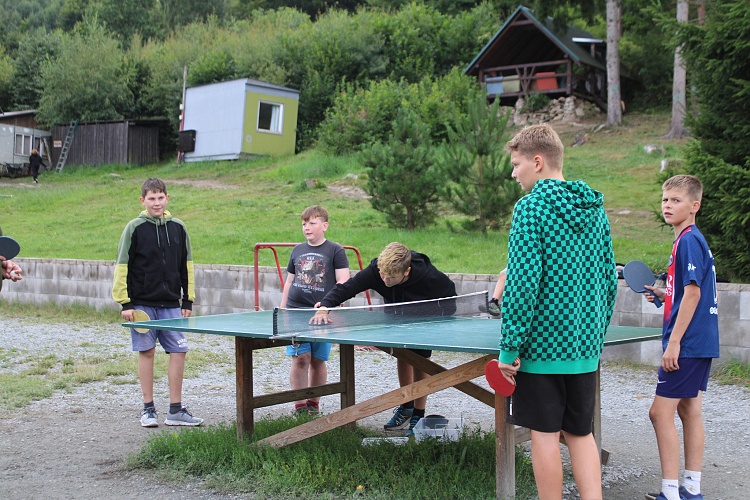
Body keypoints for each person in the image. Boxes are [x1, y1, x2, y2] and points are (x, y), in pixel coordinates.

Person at [496, 124, 618, 500]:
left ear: (537, 162)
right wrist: (593, 337)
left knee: (544, 437)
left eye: (516, 164)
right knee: (581, 434)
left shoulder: (530, 208)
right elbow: (609, 281)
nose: (513, 173)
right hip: (583, 349)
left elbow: (522, 283)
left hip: (542, 349)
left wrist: (509, 348)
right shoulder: (595, 210)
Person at [310, 241, 456, 435]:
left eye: (391, 276)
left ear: (406, 272)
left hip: (424, 320)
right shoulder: (377, 270)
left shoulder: (430, 277)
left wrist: (433, 322)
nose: (385, 279)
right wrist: (324, 307)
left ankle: (418, 414)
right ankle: (407, 406)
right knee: (403, 356)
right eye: (382, 273)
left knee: (421, 361)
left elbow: (451, 300)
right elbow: (348, 287)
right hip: (396, 317)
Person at [643, 175, 719, 500]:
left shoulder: (688, 240)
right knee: (689, 411)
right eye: (665, 199)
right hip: (702, 341)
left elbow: (694, 294)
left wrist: (674, 342)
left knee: (659, 413)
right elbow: (692, 291)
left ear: (694, 206)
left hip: (686, 344)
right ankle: (691, 489)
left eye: (676, 200)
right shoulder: (692, 240)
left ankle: (670, 492)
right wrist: (665, 294)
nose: (668, 205)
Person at [112, 178, 203, 428]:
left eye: (160, 198)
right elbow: (122, 265)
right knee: (147, 352)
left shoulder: (179, 227)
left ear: (167, 198)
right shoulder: (134, 228)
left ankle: (175, 410)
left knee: (179, 351)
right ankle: (148, 409)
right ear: (142, 200)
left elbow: (187, 265)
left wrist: (188, 300)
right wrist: (125, 303)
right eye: (151, 198)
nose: (156, 203)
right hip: (141, 304)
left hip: (172, 304)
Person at [279, 205, 350, 416]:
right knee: (301, 358)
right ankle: (299, 406)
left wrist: (330, 306)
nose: (307, 227)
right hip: (295, 313)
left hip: (322, 315)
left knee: (318, 360)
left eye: (312, 223)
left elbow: (343, 280)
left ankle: (313, 404)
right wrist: (282, 309)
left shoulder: (335, 250)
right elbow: (289, 281)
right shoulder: (297, 250)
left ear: (325, 226)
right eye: (304, 224)